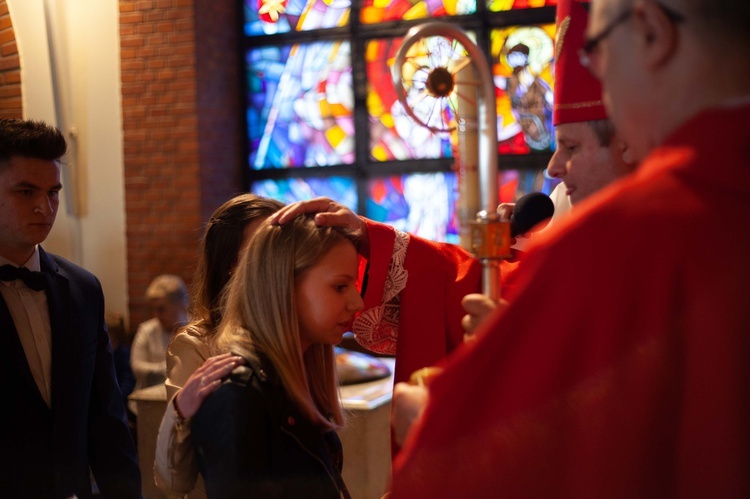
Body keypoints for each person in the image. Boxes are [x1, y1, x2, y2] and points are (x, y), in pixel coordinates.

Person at [388, 0, 750, 496]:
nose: (600, 75)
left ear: (651, 30)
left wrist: (433, 426)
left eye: (595, 51)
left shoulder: (622, 241)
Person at [0, 118, 142, 497]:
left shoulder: (83, 289)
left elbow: (106, 419)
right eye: (26, 192)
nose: (44, 207)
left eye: (53, 192)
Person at [191, 214, 363, 497]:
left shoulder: (297, 380)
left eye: (354, 286)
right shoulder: (238, 398)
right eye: (340, 286)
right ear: (284, 287)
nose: (358, 302)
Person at [154, 193, 283, 497]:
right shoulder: (198, 344)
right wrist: (180, 411)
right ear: (229, 263)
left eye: (283, 246)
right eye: (262, 249)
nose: (278, 261)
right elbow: (175, 480)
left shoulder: (296, 335)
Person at [130, 274, 189, 397]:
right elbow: (137, 367)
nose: (156, 314)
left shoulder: (195, 329)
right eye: (153, 309)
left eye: (161, 309)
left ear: (180, 304)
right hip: (149, 401)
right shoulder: (147, 330)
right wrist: (171, 367)